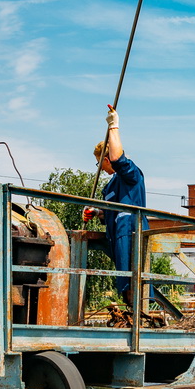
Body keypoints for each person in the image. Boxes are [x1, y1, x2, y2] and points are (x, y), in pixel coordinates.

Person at [82, 107, 147, 307]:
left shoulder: (130, 175)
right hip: (117, 236)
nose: (100, 167)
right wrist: (97, 212)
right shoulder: (110, 186)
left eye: (99, 163)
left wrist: (114, 126)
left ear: (107, 159)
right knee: (124, 285)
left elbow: (120, 160)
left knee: (134, 284)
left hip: (130, 233)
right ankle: (132, 317)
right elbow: (110, 212)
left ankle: (139, 320)